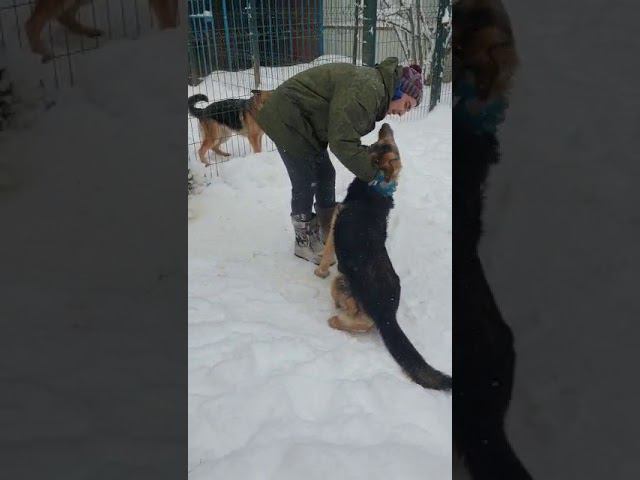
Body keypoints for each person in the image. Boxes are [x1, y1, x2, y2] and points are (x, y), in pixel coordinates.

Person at [256, 57, 424, 264]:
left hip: (306, 123)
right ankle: (303, 241)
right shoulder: (368, 90)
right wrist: (374, 176)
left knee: (326, 174)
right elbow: (342, 142)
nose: (403, 112)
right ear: (398, 90)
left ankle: (327, 230)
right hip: (288, 118)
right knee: (305, 180)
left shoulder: (376, 90)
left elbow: (345, 133)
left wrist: (372, 162)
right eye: (406, 105)